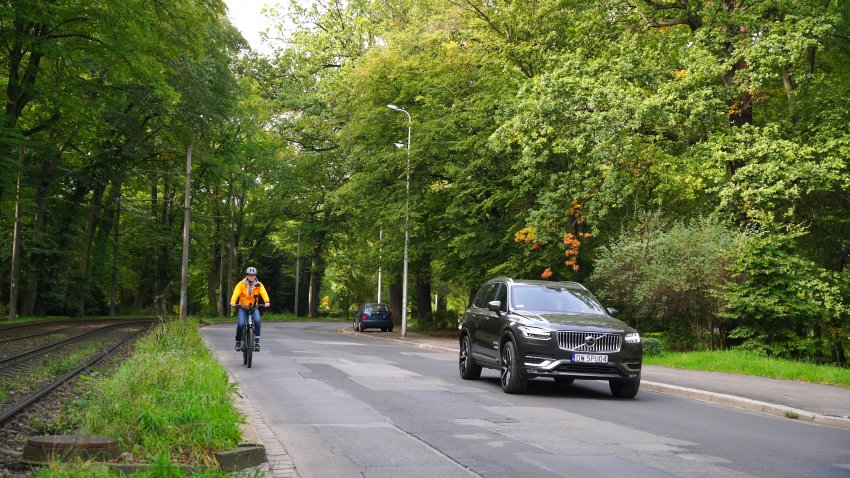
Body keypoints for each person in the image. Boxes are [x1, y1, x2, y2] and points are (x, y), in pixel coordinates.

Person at [230, 266, 270, 352]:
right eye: (249, 275)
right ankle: (238, 341)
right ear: (247, 275)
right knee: (240, 324)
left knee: (258, 321)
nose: (251, 276)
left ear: (255, 276)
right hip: (243, 307)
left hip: (254, 308)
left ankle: (257, 343)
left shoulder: (259, 285)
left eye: (253, 275)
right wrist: (233, 301)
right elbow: (236, 293)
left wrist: (267, 301)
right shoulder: (241, 284)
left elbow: (264, 293)